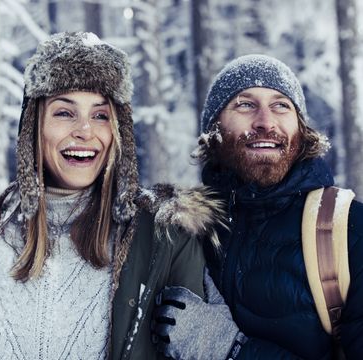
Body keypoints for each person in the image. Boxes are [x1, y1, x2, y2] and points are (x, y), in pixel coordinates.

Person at [0, 32, 229, 360]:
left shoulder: (164, 238)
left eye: (100, 115)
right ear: (33, 128)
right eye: (65, 113)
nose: (85, 130)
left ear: (117, 131)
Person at [152, 54, 363, 359]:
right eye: (245, 104)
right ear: (214, 128)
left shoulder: (348, 232)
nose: (266, 122)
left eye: (281, 105)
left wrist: (230, 348)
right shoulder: (185, 233)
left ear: (302, 130)